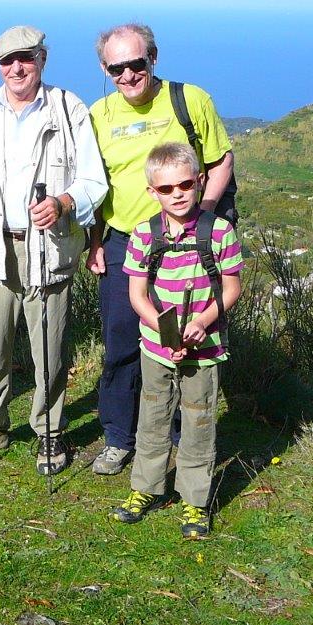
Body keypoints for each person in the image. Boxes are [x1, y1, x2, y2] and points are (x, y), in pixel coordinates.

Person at [0, 25, 108, 475]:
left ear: (42, 59)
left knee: (48, 343)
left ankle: (49, 429)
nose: (16, 68)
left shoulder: (69, 109)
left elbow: (93, 181)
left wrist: (64, 203)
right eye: (7, 61)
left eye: (25, 58)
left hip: (48, 245)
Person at [87, 23, 235, 475]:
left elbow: (220, 160)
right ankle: (119, 435)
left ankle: (178, 434)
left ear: (154, 58)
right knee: (121, 340)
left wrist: (200, 220)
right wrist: (94, 241)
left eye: (137, 63)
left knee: (184, 337)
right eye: (118, 67)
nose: (129, 74)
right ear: (105, 68)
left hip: (187, 243)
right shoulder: (98, 114)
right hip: (123, 239)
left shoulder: (191, 100)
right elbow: (95, 184)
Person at [110, 142, 243, 538]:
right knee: (152, 418)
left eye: (185, 184)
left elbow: (232, 287)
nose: (178, 194)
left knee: (199, 421)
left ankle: (195, 500)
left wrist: (203, 321)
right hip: (156, 348)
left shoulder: (219, 232)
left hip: (205, 350)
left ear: (200, 182)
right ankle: (145, 489)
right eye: (166, 189)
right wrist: (163, 331)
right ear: (152, 192)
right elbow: (137, 295)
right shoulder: (143, 234)